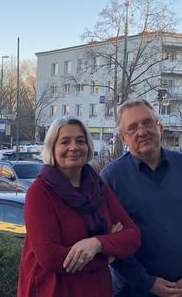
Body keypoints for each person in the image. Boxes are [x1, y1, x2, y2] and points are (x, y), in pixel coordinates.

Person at [100, 99, 182, 297]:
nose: (142, 131)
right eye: (132, 127)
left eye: (147, 123)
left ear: (160, 127)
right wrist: (147, 282)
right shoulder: (111, 178)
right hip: (133, 290)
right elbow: (110, 241)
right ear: (123, 138)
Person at [18, 116, 140, 297]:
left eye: (80, 141)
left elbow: (132, 236)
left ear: (88, 146)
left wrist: (97, 244)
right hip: (53, 289)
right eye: (65, 142)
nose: (74, 147)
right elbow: (50, 257)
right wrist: (108, 256)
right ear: (52, 148)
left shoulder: (97, 187)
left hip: (96, 289)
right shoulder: (40, 192)